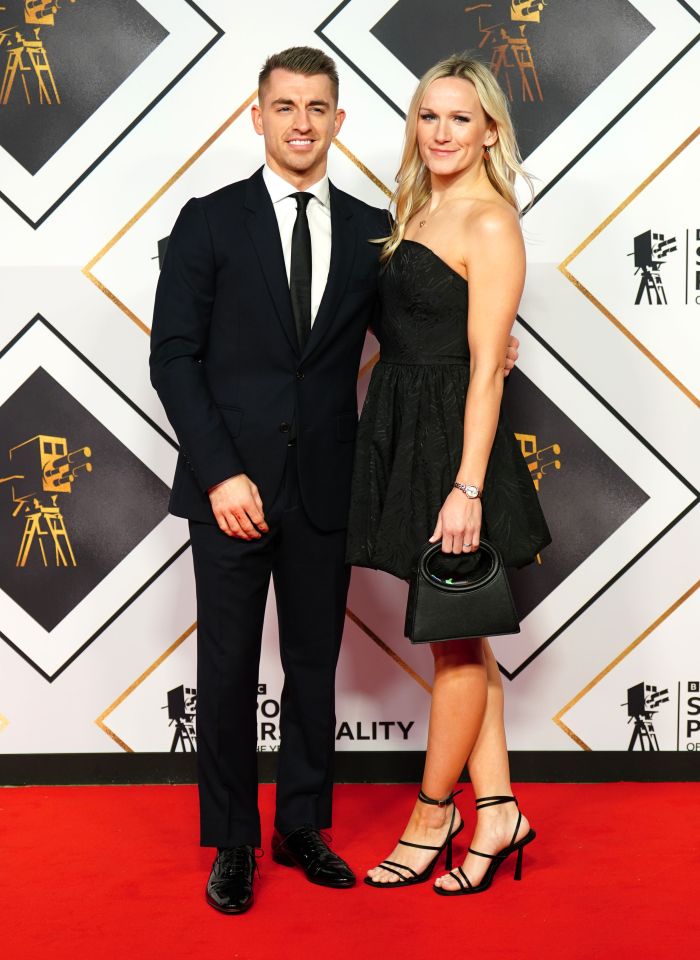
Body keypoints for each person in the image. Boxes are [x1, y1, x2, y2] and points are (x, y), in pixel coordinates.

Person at [150, 46, 520, 915]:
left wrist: (493, 345)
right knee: (229, 667)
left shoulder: (372, 232)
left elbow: (427, 329)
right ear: (258, 116)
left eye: (319, 107)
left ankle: (302, 826)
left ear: (340, 121)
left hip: (330, 482)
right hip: (228, 489)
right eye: (285, 106)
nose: (302, 122)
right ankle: (235, 842)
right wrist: (221, 475)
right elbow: (172, 360)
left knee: (314, 665)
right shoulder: (207, 221)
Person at [346, 55, 551, 895]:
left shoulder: (491, 222)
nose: (441, 133)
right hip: (403, 426)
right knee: (459, 635)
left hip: (454, 444)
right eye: (429, 117)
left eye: (460, 119)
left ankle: (435, 812)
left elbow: (484, 370)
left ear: (490, 130)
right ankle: (498, 807)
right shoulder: (417, 206)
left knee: (455, 637)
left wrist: (467, 487)